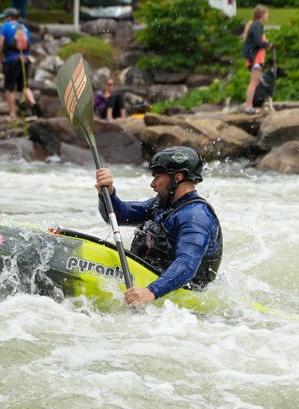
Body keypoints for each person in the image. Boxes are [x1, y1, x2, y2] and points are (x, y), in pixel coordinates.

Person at [94, 146, 223, 307]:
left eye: (157, 177)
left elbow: (187, 262)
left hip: (182, 300)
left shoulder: (195, 215)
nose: (152, 184)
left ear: (177, 177)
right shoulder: (161, 205)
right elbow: (116, 215)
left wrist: (151, 291)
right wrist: (108, 192)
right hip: (153, 281)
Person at [0, 8, 38, 120]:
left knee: (9, 88)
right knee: (25, 86)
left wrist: (0, 58)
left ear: (9, 17)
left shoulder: (6, 26)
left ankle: (12, 115)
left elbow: (0, 44)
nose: (4, 19)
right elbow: (28, 45)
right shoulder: (24, 28)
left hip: (11, 60)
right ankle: (34, 104)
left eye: (5, 17)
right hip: (24, 60)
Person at [241, 4, 272, 115]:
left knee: (255, 82)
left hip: (257, 59)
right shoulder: (256, 25)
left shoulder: (256, 25)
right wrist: (267, 44)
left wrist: (266, 43)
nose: (268, 15)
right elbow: (258, 42)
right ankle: (248, 107)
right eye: (267, 13)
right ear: (262, 14)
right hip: (255, 59)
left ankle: (250, 106)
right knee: (253, 83)